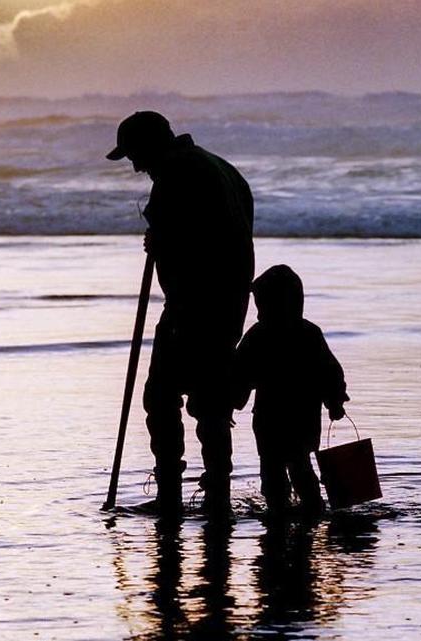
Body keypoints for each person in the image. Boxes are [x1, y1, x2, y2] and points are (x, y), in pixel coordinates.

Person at [107, 111, 254, 515]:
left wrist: (161, 243)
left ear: (151, 145)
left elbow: (188, 242)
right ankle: (217, 493)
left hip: (194, 303)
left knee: (161, 396)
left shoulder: (175, 173)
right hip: (228, 302)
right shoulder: (220, 167)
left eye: (135, 156)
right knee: (211, 399)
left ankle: (172, 492)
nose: (136, 167)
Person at [233, 265, 349, 514]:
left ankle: (281, 512)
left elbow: (240, 374)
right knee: (298, 466)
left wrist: (231, 402)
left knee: (275, 469)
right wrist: (335, 400)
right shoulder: (309, 333)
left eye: (263, 306)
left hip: (270, 420)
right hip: (301, 419)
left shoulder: (259, 335)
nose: (259, 314)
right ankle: (311, 509)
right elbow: (330, 372)